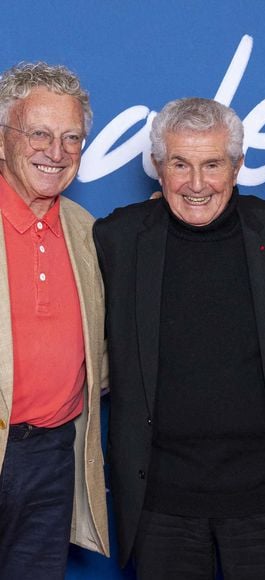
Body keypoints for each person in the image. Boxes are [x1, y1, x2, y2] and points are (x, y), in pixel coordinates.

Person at [92, 97, 265, 579]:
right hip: (160, 504)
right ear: (158, 166)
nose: (196, 184)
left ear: (237, 166)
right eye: (181, 164)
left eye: (212, 164)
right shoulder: (118, 239)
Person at [0, 62, 109, 579]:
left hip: (52, 455)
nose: (57, 152)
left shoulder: (87, 231)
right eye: (39, 134)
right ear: (3, 140)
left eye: (72, 138)